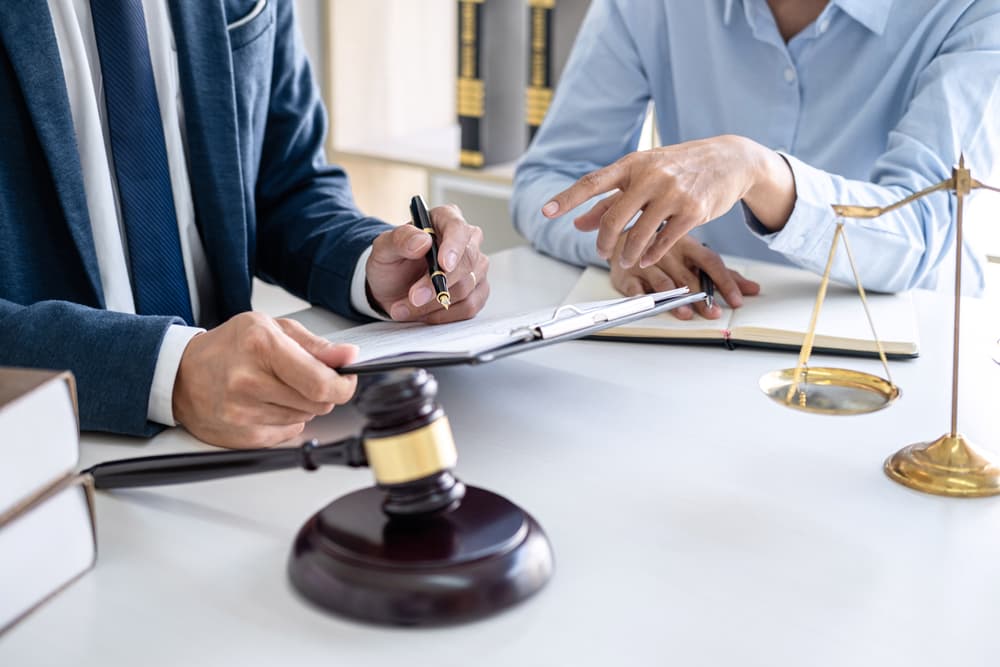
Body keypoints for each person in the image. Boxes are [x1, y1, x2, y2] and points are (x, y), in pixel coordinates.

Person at [0, 1, 489, 448]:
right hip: (42, 460)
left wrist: (372, 266)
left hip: (245, 435)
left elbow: (288, 181)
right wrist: (168, 370)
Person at [512, 0, 1000, 321]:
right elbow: (550, 181)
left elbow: (923, 233)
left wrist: (758, 172)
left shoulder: (973, 10)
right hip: (704, 331)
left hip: (917, 340)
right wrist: (630, 238)